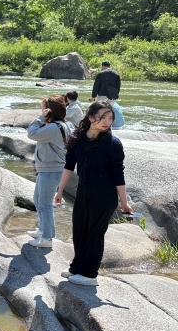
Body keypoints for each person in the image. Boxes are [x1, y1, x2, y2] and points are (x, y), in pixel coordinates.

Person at [54, 101, 133, 286]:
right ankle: (76, 268)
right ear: (90, 118)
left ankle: (90, 275)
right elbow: (69, 166)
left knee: (94, 234)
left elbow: (118, 174)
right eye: (102, 117)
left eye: (110, 118)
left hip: (105, 194)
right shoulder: (78, 139)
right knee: (79, 230)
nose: (107, 122)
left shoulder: (113, 144)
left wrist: (124, 202)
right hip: (83, 191)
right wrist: (60, 190)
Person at [26, 96, 73, 248]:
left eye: (44, 108)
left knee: (45, 204)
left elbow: (31, 134)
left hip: (50, 170)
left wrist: (40, 118)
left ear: (49, 111)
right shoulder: (64, 124)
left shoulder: (53, 128)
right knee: (38, 200)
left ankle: (47, 238)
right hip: (50, 169)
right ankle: (42, 230)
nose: (42, 110)